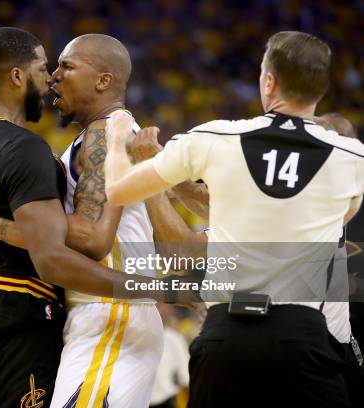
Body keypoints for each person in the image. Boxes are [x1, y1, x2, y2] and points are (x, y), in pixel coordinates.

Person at [104, 31, 364, 407]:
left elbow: (118, 189)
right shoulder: (352, 157)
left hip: (228, 331)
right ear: (321, 90)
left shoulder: (216, 137)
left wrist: (114, 137)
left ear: (269, 81)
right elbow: (335, 217)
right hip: (302, 337)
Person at [0, 33, 203, 407]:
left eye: (66, 67)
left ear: (103, 81)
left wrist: (0, 225)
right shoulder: (95, 136)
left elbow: (90, 237)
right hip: (102, 312)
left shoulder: (106, 134)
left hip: (110, 313)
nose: (53, 76)